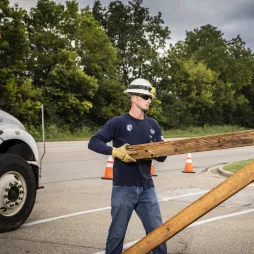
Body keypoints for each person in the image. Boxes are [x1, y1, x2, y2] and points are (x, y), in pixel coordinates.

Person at [88, 78, 167, 254]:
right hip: (123, 188)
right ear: (132, 97)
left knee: (158, 233)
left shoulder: (153, 124)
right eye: (145, 96)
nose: (149, 100)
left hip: (147, 188)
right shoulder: (118, 122)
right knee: (117, 234)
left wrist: (160, 151)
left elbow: (163, 157)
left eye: (150, 97)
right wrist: (114, 151)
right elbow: (94, 142)